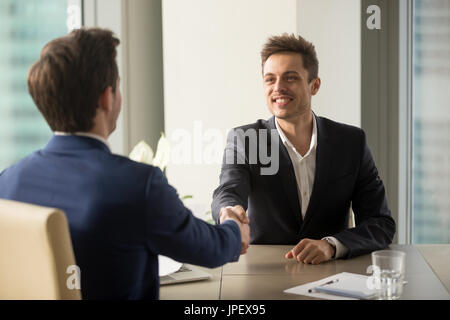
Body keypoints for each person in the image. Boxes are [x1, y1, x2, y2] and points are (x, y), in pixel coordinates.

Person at [0, 27, 249, 300]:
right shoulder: (137, 184)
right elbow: (209, 249)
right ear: (107, 98)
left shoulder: (7, 182)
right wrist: (234, 229)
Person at [212, 33, 395, 264]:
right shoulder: (245, 139)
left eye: (290, 78)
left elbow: (380, 223)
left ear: (314, 85)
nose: (278, 88)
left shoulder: (350, 142)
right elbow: (228, 189)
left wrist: (332, 245)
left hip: (332, 278)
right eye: (270, 79)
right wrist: (228, 212)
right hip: (266, 274)